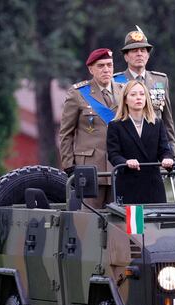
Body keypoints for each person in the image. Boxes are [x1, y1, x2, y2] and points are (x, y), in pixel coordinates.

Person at [59, 48, 123, 209]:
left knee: (123, 222)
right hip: (90, 169)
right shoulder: (78, 93)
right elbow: (66, 133)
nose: (106, 70)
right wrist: (69, 166)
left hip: (120, 169)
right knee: (90, 220)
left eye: (109, 65)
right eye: (101, 66)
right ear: (91, 69)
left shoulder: (125, 91)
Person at [113, 26, 175, 157]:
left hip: (156, 152)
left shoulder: (160, 80)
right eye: (134, 51)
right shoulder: (115, 82)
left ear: (148, 55)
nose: (139, 54)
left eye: (143, 50)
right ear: (126, 56)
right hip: (128, 153)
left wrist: (171, 154)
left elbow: (167, 121)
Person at [107, 80, 174, 204]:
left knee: (154, 222)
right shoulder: (115, 125)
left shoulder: (157, 123)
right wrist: (126, 162)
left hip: (153, 185)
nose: (138, 98)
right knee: (134, 223)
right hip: (129, 184)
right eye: (133, 95)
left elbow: (164, 149)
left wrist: (167, 158)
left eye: (142, 94)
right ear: (125, 99)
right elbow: (113, 154)